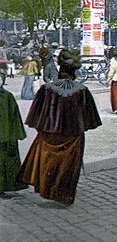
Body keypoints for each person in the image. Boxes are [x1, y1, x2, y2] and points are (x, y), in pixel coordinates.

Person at [17, 49, 102, 205]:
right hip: (73, 137)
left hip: (49, 135)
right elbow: (91, 121)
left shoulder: (46, 89)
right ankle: (65, 195)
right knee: (69, 166)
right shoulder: (82, 91)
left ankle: (48, 191)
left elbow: (36, 118)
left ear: (60, 65)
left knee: (48, 163)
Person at [0, 71, 27, 195]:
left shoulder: (7, 96)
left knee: (7, 161)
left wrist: (15, 135)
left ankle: (5, 187)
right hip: (5, 135)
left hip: (6, 136)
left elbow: (14, 117)